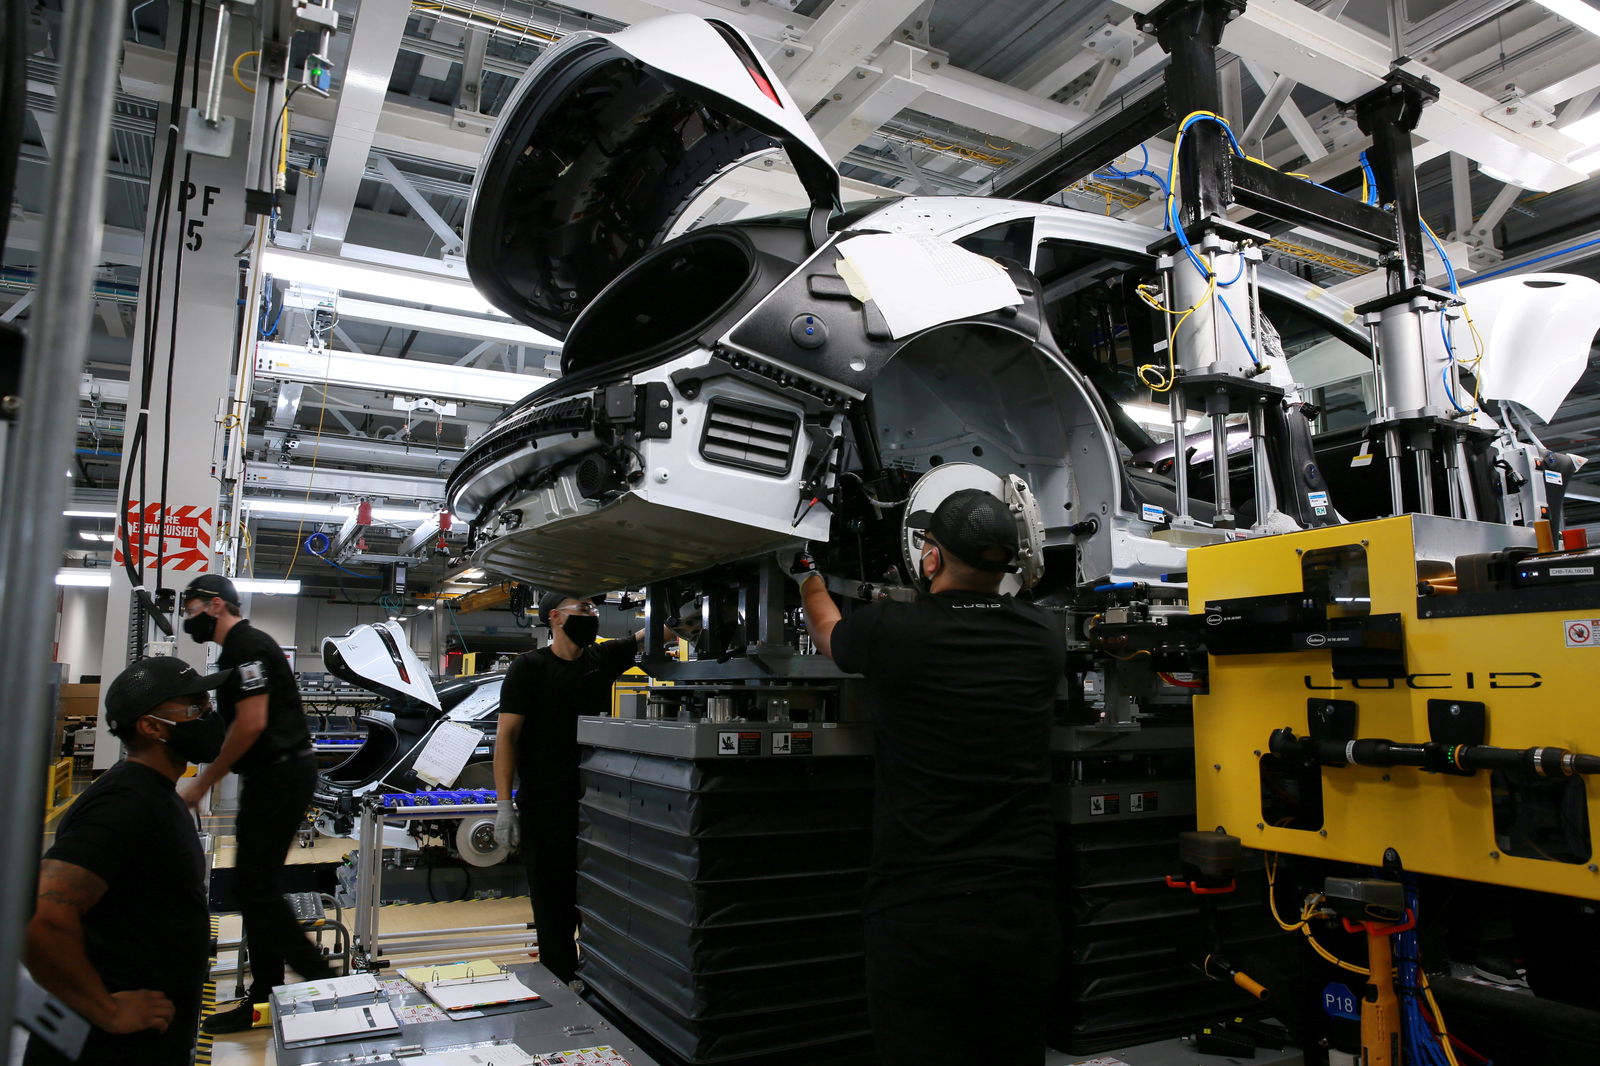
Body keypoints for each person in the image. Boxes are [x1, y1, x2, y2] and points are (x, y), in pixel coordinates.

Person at [792, 488, 1066, 1066]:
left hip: (921, 904)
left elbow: (829, 632)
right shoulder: (1044, 639)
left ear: (932, 558)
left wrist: (805, 574)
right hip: (1024, 901)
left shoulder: (893, 629)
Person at [23, 656, 230, 1066]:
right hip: (111, 1048)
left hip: (152, 1035)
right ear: (151, 726)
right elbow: (41, 915)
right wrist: (108, 1010)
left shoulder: (156, 793)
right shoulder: (125, 804)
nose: (209, 716)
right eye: (196, 709)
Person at [175, 574, 334, 1033]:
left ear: (215, 605)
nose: (188, 617)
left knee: (255, 888)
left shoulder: (248, 645)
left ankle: (323, 983)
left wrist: (203, 783)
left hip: (282, 773)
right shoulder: (236, 652)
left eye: (190, 608)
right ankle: (265, 997)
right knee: (254, 888)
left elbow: (251, 723)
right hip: (270, 775)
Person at [491, 593, 657, 983]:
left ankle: (597, 980)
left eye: (595, 610)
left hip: (598, 806)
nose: (592, 616)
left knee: (599, 899)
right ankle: (560, 981)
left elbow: (650, 633)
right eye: (583, 609)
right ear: (554, 617)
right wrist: (503, 805)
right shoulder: (528, 668)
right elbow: (506, 738)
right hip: (546, 806)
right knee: (553, 906)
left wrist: (690, 609)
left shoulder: (600, 660)